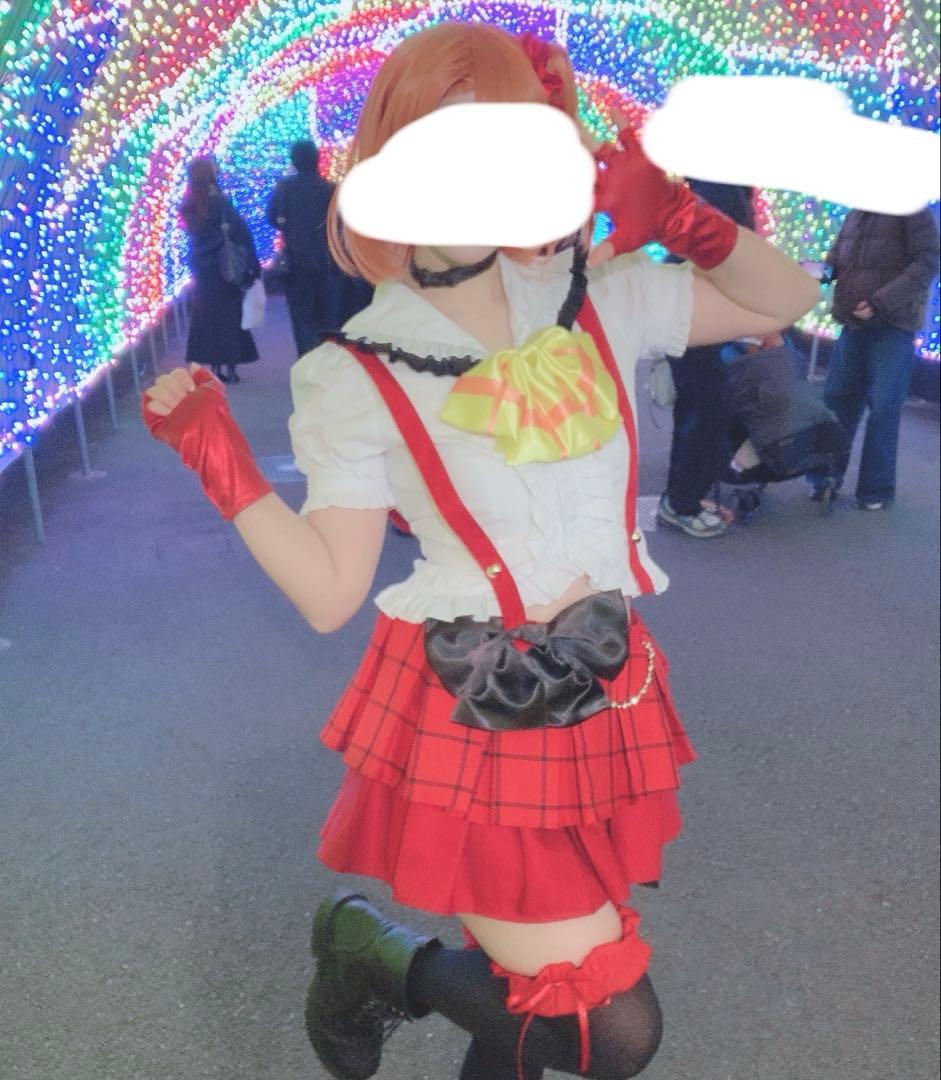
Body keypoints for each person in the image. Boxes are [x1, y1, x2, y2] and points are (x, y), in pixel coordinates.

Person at [143, 23, 819, 1080]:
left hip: (601, 682)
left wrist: (684, 215)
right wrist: (221, 464)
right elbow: (329, 594)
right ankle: (375, 955)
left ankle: (387, 964)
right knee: (608, 1032)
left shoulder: (600, 298)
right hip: (473, 703)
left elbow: (786, 299)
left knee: (524, 999)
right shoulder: (354, 372)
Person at [808, 207, 939, 510]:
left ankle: (875, 490)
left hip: (893, 326)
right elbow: (838, 260)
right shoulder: (857, 212)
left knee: (883, 407)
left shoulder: (911, 207)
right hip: (853, 323)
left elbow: (928, 260)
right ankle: (825, 478)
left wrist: (881, 302)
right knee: (837, 400)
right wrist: (814, 273)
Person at [657, 180, 759, 538]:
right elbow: (727, 250)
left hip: (691, 310)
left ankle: (680, 499)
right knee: (709, 410)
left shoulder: (713, 185)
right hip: (695, 312)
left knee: (697, 409)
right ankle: (683, 504)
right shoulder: (721, 186)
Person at [267, 139, 374, 357]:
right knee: (328, 316)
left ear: (294, 161)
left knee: (302, 318)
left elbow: (272, 218)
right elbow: (343, 224)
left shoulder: (285, 189)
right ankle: (327, 359)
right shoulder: (331, 191)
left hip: (296, 263)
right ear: (316, 160)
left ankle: (308, 360)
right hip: (328, 263)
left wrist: (291, 228)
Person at [180, 158, 260, 385]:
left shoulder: (189, 205)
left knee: (208, 317)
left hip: (202, 269)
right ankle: (231, 367)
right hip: (225, 268)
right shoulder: (221, 202)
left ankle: (214, 366)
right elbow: (240, 232)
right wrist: (252, 265)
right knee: (230, 316)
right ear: (211, 177)